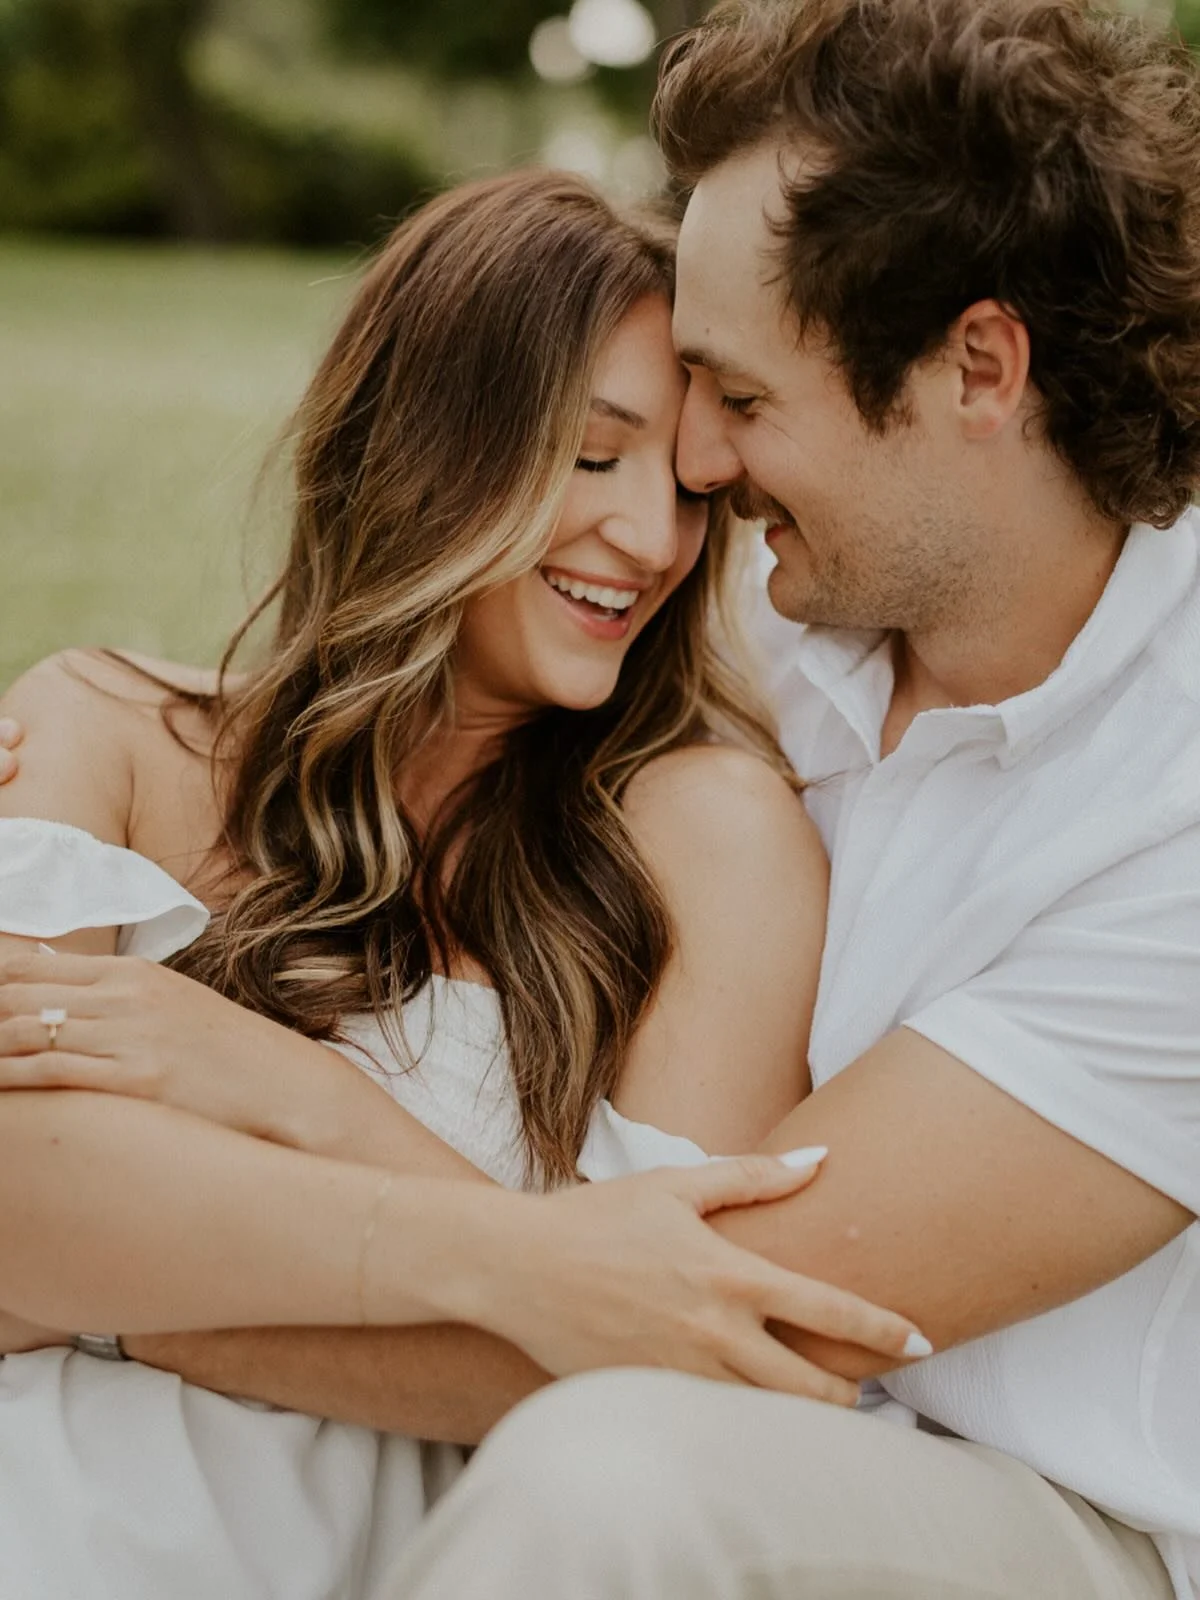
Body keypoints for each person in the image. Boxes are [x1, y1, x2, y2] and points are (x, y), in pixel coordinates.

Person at [336, 2, 1200, 1597]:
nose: (697, 470)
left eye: (740, 398)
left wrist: (109, 1285)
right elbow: (407, 693)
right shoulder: (789, 598)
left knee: (618, 1488)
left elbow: (707, 1321)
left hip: (1056, 1519)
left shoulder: (1182, 800)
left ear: (978, 369)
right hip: (731, 1394)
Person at [0, 168, 923, 1600]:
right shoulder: (106, 730)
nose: (653, 543)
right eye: (591, 455)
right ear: (425, 441)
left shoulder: (705, 838)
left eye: (687, 492)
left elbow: (667, 1361)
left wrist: (270, 1102)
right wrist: (519, 1266)